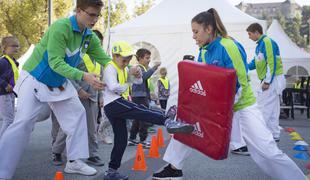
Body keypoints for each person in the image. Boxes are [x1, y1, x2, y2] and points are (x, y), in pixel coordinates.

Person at [152, 8, 306, 180]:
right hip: (218, 106)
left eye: (196, 32)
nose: (193, 36)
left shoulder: (229, 46)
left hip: (242, 106)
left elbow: (238, 84)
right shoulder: (203, 50)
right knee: (185, 125)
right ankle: (174, 168)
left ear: (208, 29)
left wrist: (217, 109)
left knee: (267, 151)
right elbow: (204, 82)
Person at [0, 0, 112, 179]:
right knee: (24, 123)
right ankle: (2, 171)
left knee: (77, 114)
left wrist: (126, 71)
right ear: (79, 11)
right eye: (91, 14)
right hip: (35, 77)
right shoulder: (61, 28)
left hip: (58, 81)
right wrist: (84, 76)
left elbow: (105, 59)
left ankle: (74, 162)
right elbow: (55, 62)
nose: (95, 19)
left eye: (98, 15)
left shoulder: (89, 36)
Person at [102, 41, 194, 180]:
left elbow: (138, 82)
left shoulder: (123, 68)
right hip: (113, 103)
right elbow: (114, 87)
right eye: (124, 59)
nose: (126, 62)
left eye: (128, 59)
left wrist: (137, 76)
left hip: (117, 103)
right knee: (141, 110)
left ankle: (111, 171)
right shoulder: (110, 67)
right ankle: (167, 120)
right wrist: (130, 80)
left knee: (121, 140)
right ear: (115, 56)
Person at [51, 29, 105, 166]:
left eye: (99, 42)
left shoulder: (100, 60)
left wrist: (101, 97)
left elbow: (101, 79)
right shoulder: (77, 56)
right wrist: (79, 90)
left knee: (92, 129)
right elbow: (68, 74)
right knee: (69, 126)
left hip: (92, 97)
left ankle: (92, 155)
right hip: (76, 95)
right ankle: (57, 152)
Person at [246, 23, 285, 142]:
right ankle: (274, 134)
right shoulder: (260, 45)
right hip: (272, 79)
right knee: (273, 109)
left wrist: (267, 81)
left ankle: (262, 135)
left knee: (263, 107)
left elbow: (271, 62)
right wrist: (244, 67)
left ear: (257, 32)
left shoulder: (267, 42)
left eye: (250, 34)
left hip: (273, 79)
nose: (249, 37)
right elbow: (256, 62)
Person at [128, 48, 160, 149]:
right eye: (147, 58)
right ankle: (143, 140)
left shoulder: (142, 67)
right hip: (140, 97)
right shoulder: (138, 68)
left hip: (140, 96)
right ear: (140, 58)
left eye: (149, 57)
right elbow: (145, 77)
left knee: (137, 119)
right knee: (144, 118)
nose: (149, 60)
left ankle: (132, 138)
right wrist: (154, 68)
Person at [0, 36, 20, 138]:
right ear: (4, 47)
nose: (16, 48)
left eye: (17, 46)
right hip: (3, 95)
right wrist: (4, 84)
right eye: (13, 46)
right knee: (8, 120)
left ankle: (7, 141)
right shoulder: (3, 62)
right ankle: (2, 143)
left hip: (11, 94)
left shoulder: (13, 62)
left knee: (11, 120)